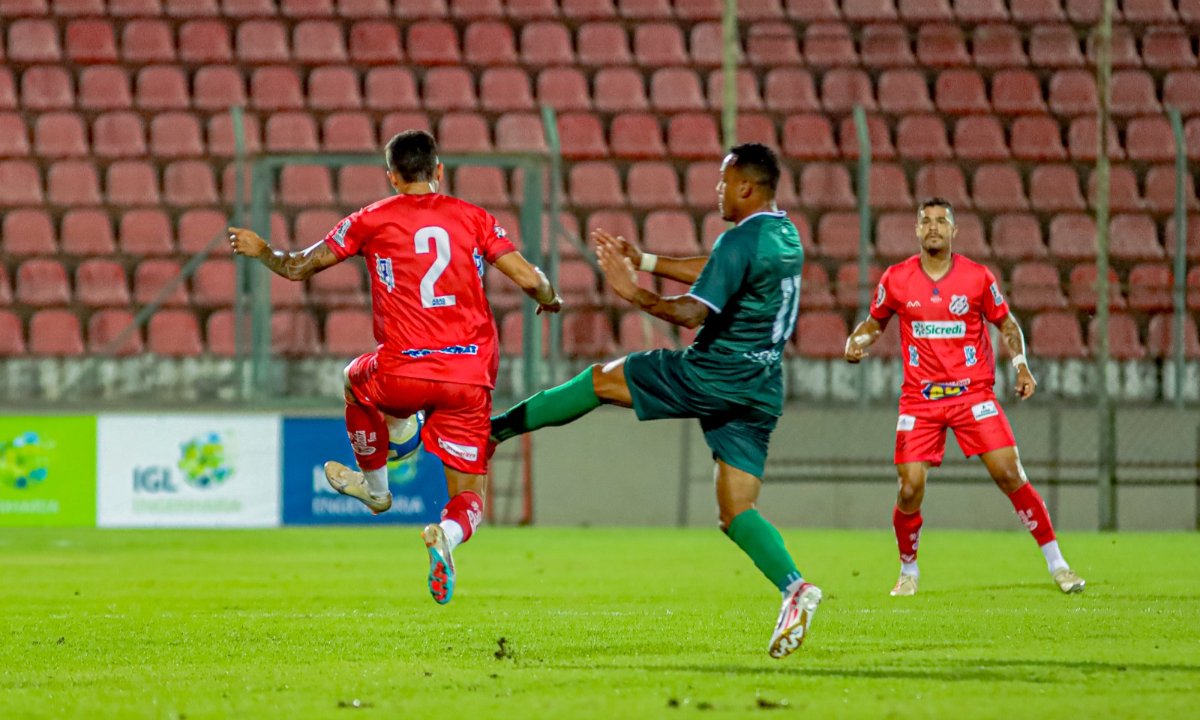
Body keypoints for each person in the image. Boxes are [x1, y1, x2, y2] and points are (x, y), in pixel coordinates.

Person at [489, 143, 822, 659]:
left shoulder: (740, 239)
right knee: (736, 512)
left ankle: (493, 431)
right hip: (760, 387)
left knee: (600, 380)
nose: (718, 189)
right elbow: (720, 268)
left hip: (714, 374)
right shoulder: (785, 234)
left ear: (746, 187)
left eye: (724, 180)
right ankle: (795, 589)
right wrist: (644, 261)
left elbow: (691, 314)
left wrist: (634, 293)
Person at [229, 130, 562, 605]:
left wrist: (263, 250)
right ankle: (447, 534)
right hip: (470, 376)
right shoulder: (475, 218)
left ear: (391, 177)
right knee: (470, 495)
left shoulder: (371, 218)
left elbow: (299, 267)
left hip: (403, 369)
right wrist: (550, 297)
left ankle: (377, 489)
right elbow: (531, 279)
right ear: (439, 170)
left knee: (353, 382)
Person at [843, 198, 1086, 597]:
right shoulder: (897, 278)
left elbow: (1007, 323)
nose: (933, 227)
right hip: (920, 400)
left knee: (1010, 473)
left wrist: (1021, 365)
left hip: (972, 395)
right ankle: (908, 571)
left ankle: (1058, 564)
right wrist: (856, 341)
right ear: (916, 230)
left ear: (954, 231)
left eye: (941, 221)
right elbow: (874, 322)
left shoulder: (977, 277)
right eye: (926, 221)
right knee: (909, 487)